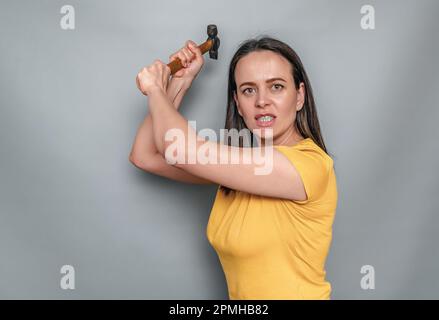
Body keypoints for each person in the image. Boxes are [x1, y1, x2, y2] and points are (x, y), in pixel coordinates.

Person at [130, 36, 338, 300]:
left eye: (276, 87)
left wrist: (156, 89)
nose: (262, 101)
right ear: (238, 104)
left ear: (299, 97)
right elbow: (145, 155)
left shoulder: (308, 166)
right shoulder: (240, 169)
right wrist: (180, 81)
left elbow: (181, 150)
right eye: (248, 90)